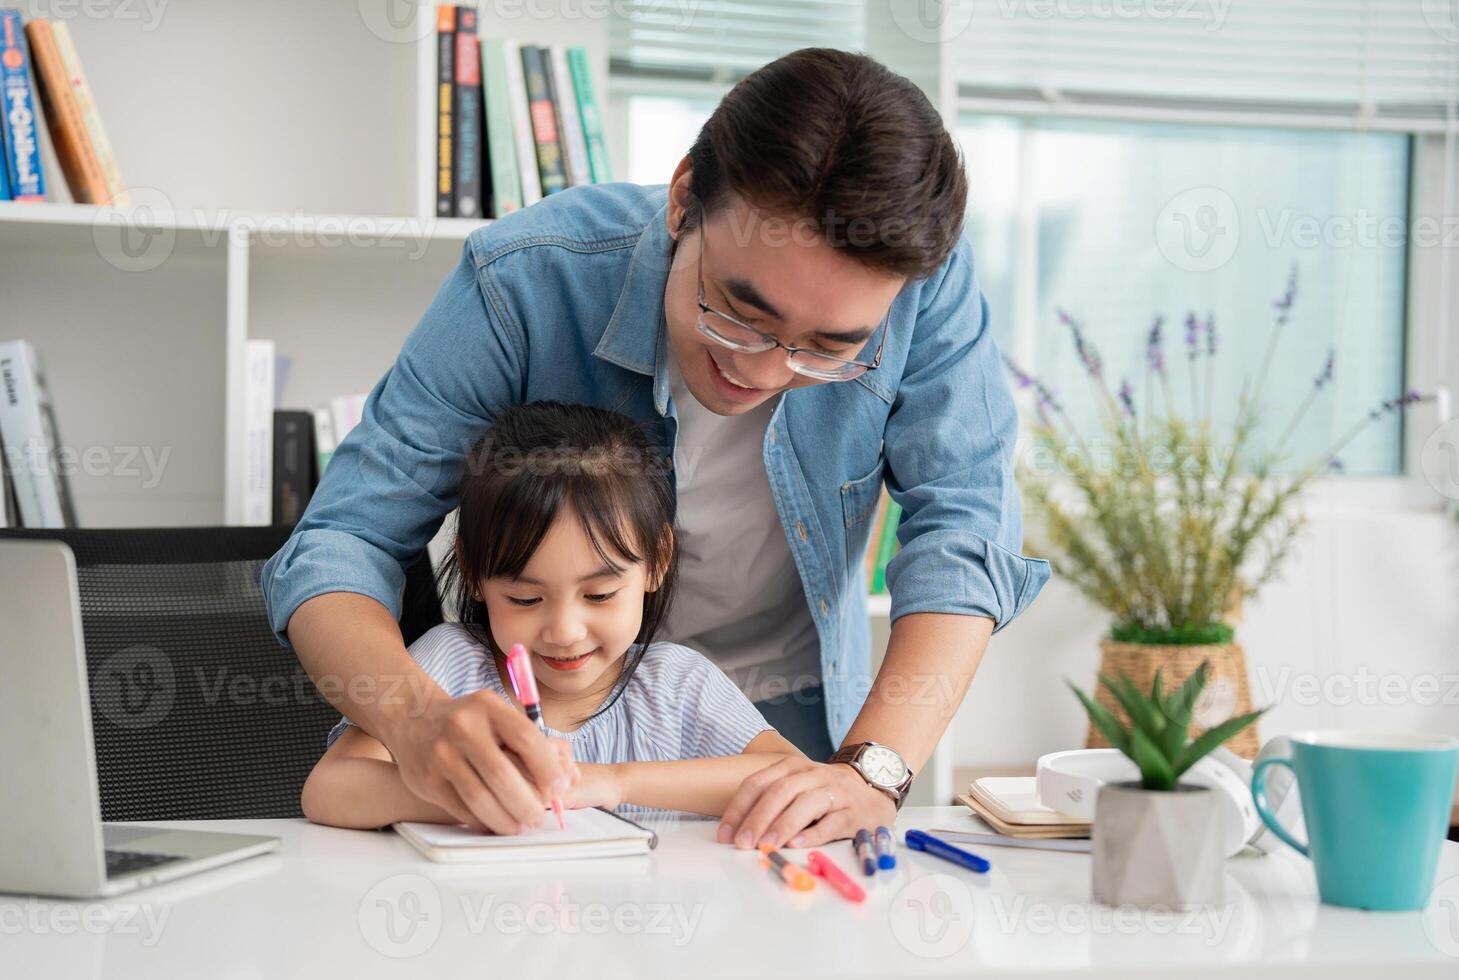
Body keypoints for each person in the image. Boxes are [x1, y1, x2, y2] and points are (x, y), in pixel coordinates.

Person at [264, 47, 1050, 851]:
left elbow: (962, 535)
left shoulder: (924, 287)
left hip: (786, 730)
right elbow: (341, 544)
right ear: (683, 202)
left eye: (826, 350)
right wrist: (414, 717)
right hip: (525, 711)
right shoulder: (525, 281)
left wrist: (872, 771)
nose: (763, 370)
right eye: (739, 313)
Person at [301, 402, 801, 830]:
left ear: (658, 561)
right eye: (524, 599)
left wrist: (610, 782)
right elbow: (329, 789)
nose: (564, 632)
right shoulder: (449, 665)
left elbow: (790, 775)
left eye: (601, 594)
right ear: (475, 573)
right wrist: (473, 792)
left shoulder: (677, 685)